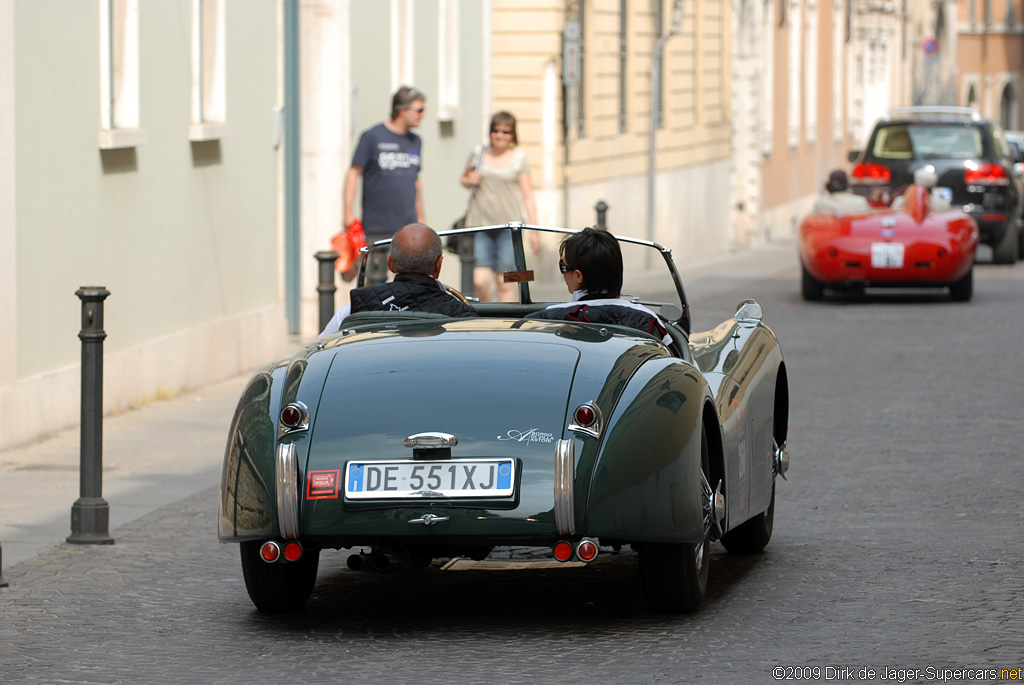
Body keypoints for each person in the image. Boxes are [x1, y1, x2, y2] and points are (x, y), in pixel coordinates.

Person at [319, 223, 476, 337]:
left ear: (390, 263)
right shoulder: (464, 316)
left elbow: (321, 349)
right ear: (438, 266)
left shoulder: (351, 312)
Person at [525, 227, 672, 345]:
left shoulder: (546, 318)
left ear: (578, 276)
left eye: (563, 267)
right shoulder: (648, 319)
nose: (563, 274)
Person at [343, 86, 427, 284]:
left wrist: (421, 218)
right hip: (376, 225)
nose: (423, 115)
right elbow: (354, 173)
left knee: (410, 282)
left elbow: (416, 180)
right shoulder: (372, 137)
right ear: (401, 110)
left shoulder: (416, 141)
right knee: (374, 282)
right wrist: (347, 212)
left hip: (408, 226)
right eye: (419, 110)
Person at [460, 111, 540, 302]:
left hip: (509, 228)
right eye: (496, 130)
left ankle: (508, 324)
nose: (500, 135)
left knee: (506, 282)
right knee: (479, 281)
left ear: (513, 135)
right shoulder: (478, 153)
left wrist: (535, 232)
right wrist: (469, 179)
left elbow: (528, 196)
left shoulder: (519, 159)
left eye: (506, 131)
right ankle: (488, 318)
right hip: (481, 226)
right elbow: (463, 179)